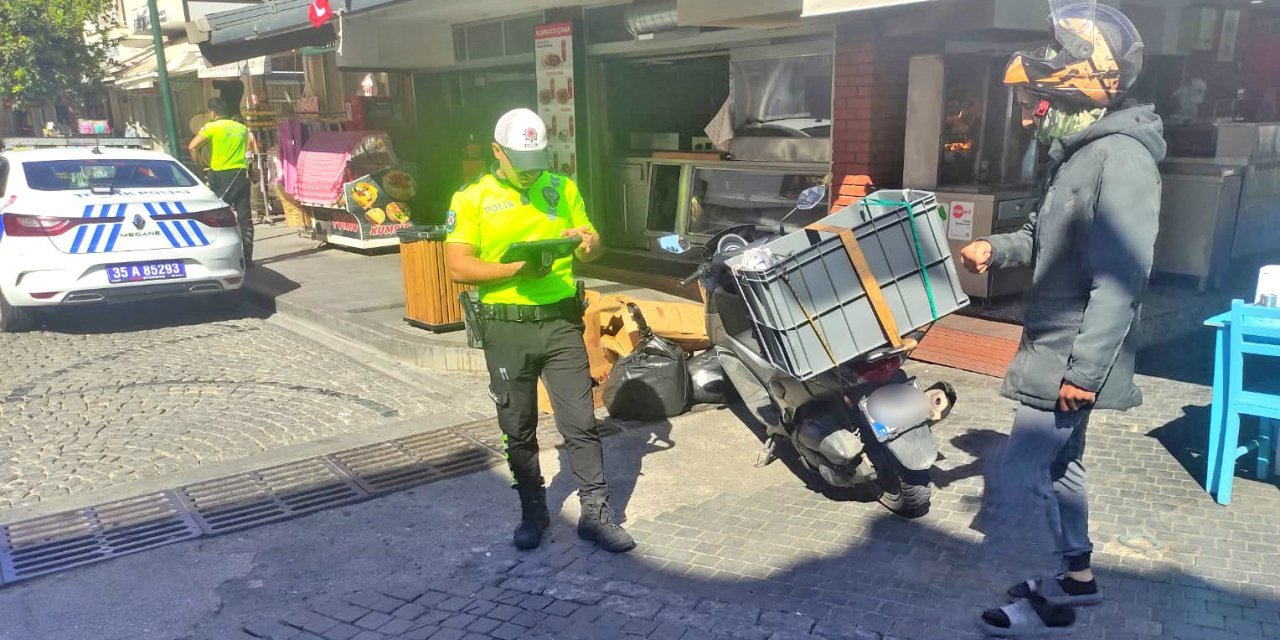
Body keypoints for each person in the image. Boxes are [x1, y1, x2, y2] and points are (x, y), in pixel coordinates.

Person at [958, 2, 1164, 636]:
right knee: (1063, 469)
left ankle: (1044, 593)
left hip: (1070, 353)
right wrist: (999, 247)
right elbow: (1039, 235)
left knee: (1019, 475)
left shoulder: (1121, 157)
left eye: (1035, 101)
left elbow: (1122, 277)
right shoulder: (1073, 157)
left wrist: (1085, 372)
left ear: (1076, 91)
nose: (1027, 114)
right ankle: (1076, 576)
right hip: (1051, 344)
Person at [444, 108, 634, 554]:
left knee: (582, 423)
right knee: (518, 427)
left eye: (536, 164)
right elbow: (457, 266)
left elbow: (591, 244)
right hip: (506, 328)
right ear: (498, 152)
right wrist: (519, 269)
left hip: (562, 322)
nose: (530, 175)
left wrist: (590, 242)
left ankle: (596, 513)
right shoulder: (471, 197)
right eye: (520, 165)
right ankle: (533, 510)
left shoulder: (561, 186)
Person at [189, 98, 257, 263]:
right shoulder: (242, 128)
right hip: (240, 174)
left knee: (217, 216)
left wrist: (202, 165)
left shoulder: (211, 127)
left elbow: (192, 146)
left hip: (219, 175)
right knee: (245, 217)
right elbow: (250, 149)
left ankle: (222, 255)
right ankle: (247, 257)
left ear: (212, 112)